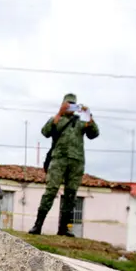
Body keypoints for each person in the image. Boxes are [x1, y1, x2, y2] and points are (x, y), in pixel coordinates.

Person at [28, 94, 100, 237]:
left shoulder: (81, 122)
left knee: (71, 194)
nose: (71, 107)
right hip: (58, 159)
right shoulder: (57, 119)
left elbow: (94, 133)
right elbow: (45, 132)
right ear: (63, 104)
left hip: (76, 161)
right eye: (68, 104)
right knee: (51, 191)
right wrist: (60, 112)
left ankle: (64, 229)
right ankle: (38, 225)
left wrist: (88, 115)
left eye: (74, 104)